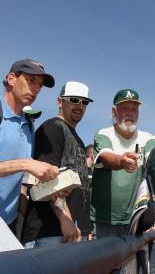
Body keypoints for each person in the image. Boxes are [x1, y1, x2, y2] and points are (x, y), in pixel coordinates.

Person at [21, 81, 93, 248]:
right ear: (60, 102)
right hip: (51, 232)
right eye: (74, 100)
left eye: (84, 102)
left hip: (73, 232)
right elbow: (46, 179)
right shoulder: (52, 128)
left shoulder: (79, 140)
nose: (79, 106)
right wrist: (65, 220)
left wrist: (85, 226)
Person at [0, 59, 61, 239]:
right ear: (11, 79)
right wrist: (26, 163)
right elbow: (22, 165)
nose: (36, 88)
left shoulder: (28, 124)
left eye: (40, 85)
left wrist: (52, 185)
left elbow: (19, 179)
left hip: (8, 225)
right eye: (30, 80)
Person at [90, 89, 155, 238]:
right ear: (114, 112)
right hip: (103, 219)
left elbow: (151, 157)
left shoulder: (147, 138)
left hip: (133, 220)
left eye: (134, 109)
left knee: (130, 262)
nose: (130, 113)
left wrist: (154, 162)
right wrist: (121, 161)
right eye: (124, 108)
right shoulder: (104, 134)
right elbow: (106, 157)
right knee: (104, 261)